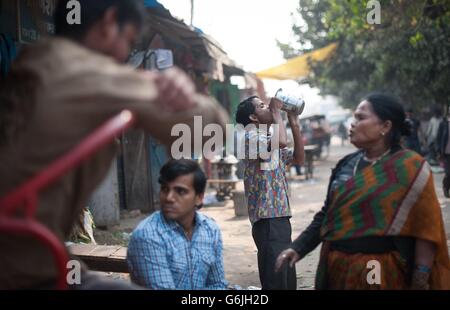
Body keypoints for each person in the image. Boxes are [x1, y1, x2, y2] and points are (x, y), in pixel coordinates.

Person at [0, 0, 228, 289]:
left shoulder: (31, 63)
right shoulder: (89, 74)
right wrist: (178, 89)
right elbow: (211, 132)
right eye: (129, 40)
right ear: (109, 23)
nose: (125, 56)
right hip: (25, 268)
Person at [276, 93, 450, 290]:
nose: (352, 124)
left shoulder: (411, 168)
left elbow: (426, 230)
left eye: (360, 118)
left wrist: (420, 279)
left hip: (383, 272)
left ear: (385, 126)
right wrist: (297, 248)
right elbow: (327, 215)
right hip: (338, 269)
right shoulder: (346, 165)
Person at [235, 95, 305, 290]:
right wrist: (276, 112)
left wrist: (294, 124)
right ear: (254, 118)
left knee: (285, 274)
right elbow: (281, 142)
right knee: (275, 278)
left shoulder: (268, 139)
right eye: (262, 106)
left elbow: (298, 159)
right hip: (266, 217)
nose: (268, 107)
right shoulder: (250, 138)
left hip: (281, 215)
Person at [127, 159, 228, 290]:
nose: (169, 197)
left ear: (199, 198)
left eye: (180, 191)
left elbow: (217, 284)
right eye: (165, 189)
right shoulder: (148, 235)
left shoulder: (210, 229)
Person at [437, 109, 450, 198]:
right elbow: (439, 137)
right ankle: (446, 187)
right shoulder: (444, 124)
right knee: (448, 172)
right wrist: (439, 151)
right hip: (447, 152)